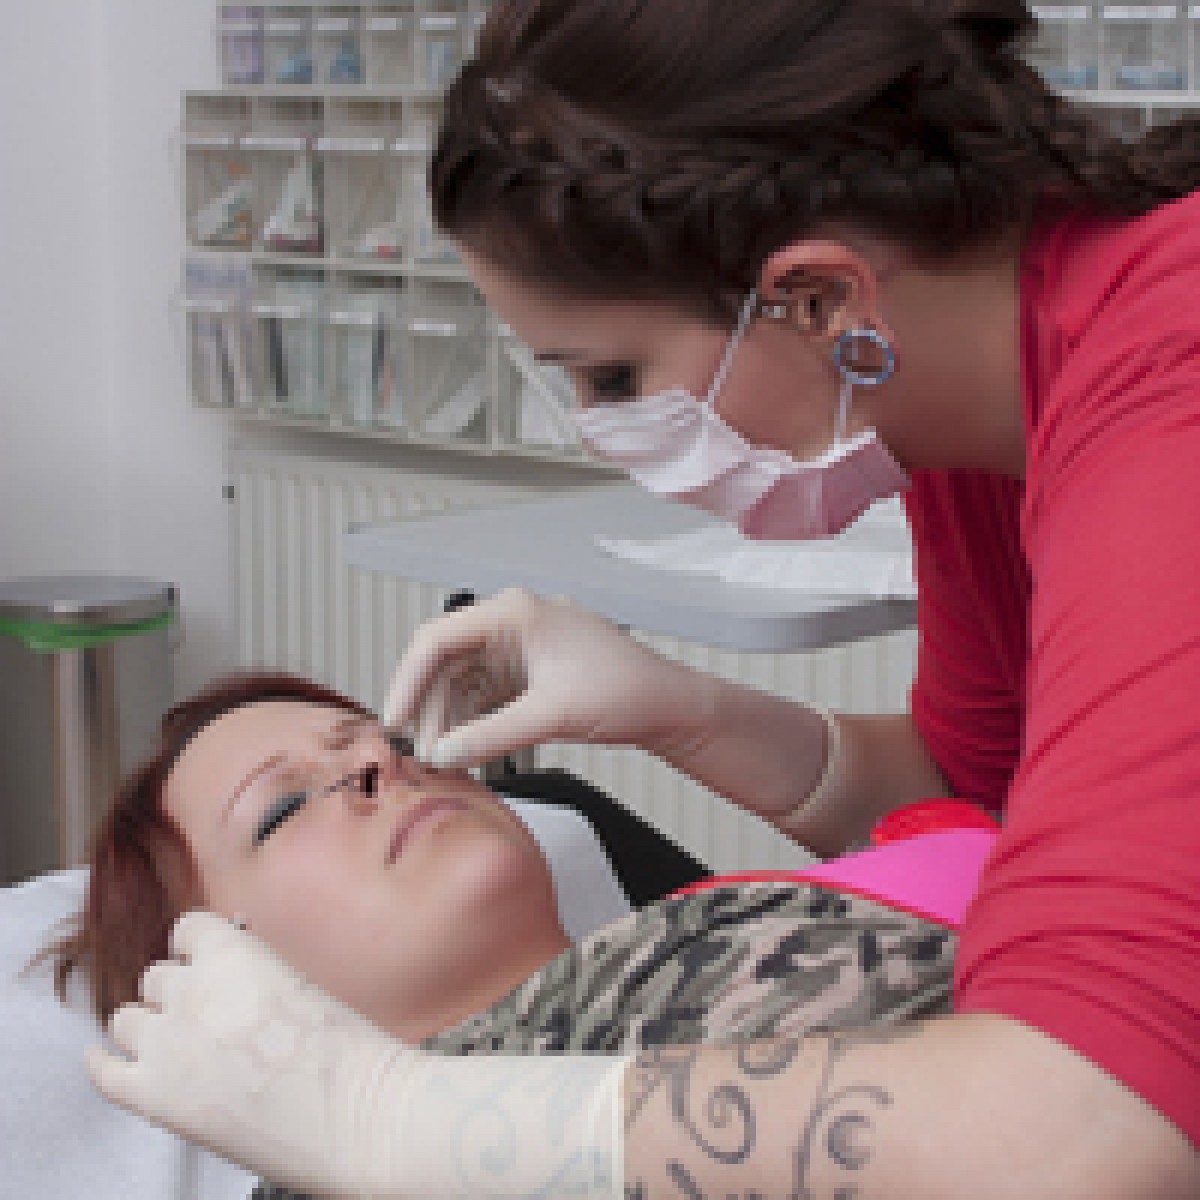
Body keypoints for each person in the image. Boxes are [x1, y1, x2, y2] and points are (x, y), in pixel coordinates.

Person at [86, 1, 1199, 1195]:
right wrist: (690, 713)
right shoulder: (978, 434)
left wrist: (390, 1117)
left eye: (614, 375)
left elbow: (1086, 1130)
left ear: (823, 302)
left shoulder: (1162, 406)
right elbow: (1002, 789)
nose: (375, 763)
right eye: (278, 811)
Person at [48, 670, 955, 1197]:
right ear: (220, 978)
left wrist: (699, 712)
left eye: (386, 739)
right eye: (282, 809)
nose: (379, 761)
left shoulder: (692, 928)